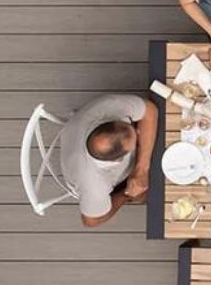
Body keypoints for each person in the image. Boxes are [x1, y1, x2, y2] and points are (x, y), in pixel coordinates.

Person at [60, 94, 159, 228]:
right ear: (120, 159)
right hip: (93, 180)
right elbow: (90, 221)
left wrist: (142, 169)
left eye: (132, 128)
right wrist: (125, 195)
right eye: (136, 139)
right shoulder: (94, 186)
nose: (139, 131)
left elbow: (149, 110)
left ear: (111, 123)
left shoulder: (104, 109)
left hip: (76, 140)